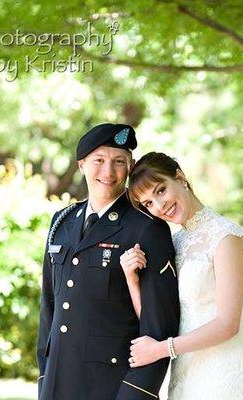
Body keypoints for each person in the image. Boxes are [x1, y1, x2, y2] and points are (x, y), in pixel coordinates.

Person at [36, 125, 180, 400]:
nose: (108, 172)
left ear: (131, 166)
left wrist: (137, 392)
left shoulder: (146, 228)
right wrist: (45, 375)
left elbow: (159, 325)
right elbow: (49, 306)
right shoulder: (62, 222)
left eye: (119, 162)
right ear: (81, 165)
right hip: (58, 381)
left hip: (113, 387)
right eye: (99, 160)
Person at [120, 152, 243, 399]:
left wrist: (162, 349)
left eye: (160, 190)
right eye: (148, 203)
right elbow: (156, 315)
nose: (159, 206)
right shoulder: (174, 243)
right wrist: (132, 279)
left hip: (227, 371)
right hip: (187, 371)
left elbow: (228, 324)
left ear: (180, 177)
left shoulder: (226, 237)